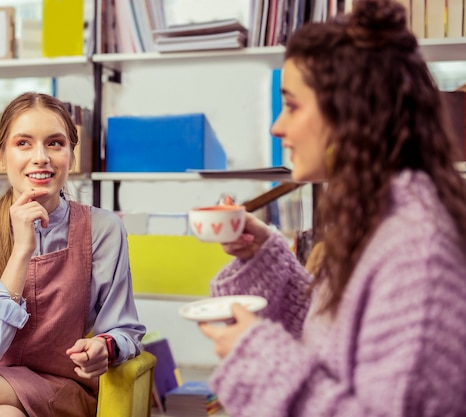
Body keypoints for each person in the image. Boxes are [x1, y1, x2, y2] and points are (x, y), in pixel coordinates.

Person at [197, 1, 466, 416]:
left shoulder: (418, 252)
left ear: (352, 113)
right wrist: (262, 252)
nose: (277, 127)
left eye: (292, 104)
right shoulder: (377, 220)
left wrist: (263, 362)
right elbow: (335, 342)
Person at [0, 92, 146, 417]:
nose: (40, 157)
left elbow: (125, 329)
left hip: (60, 389)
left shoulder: (103, 229)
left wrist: (106, 347)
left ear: (72, 157)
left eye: (54, 143)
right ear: (2, 156)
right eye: (23, 143)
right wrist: (22, 250)